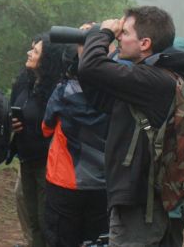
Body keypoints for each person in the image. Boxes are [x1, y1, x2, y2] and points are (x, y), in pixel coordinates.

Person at [77, 6, 184, 247]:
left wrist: (102, 34)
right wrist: (87, 51)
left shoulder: (152, 80)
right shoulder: (153, 79)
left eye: (124, 33)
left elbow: (92, 68)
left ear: (144, 43)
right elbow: (100, 99)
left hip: (140, 203)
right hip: (143, 198)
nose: (119, 37)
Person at [41, 42, 109, 247]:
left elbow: (46, 129)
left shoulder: (63, 92)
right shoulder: (116, 93)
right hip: (104, 182)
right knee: (96, 240)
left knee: (61, 238)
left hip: (65, 180)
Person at [9, 33, 66, 247]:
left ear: (47, 59)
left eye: (35, 51)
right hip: (26, 159)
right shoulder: (24, 82)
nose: (29, 53)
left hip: (47, 163)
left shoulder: (56, 90)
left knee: (46, 220)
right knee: (32, 219)